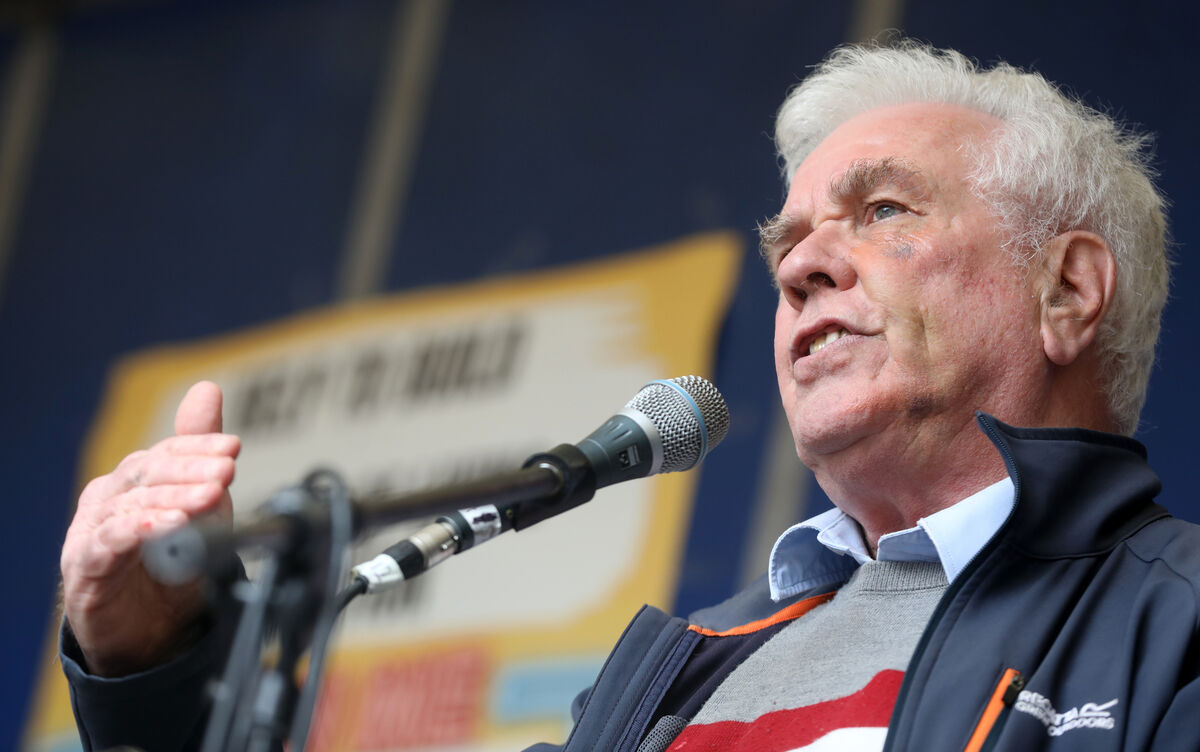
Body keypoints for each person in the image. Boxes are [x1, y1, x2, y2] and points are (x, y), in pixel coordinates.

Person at [60, 40, 1198, 751]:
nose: (804, 265)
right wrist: (151, 668)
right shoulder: (677, 664)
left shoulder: (1176, 622)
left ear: (1068, 289)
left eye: (885, 211)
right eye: (790, 242)